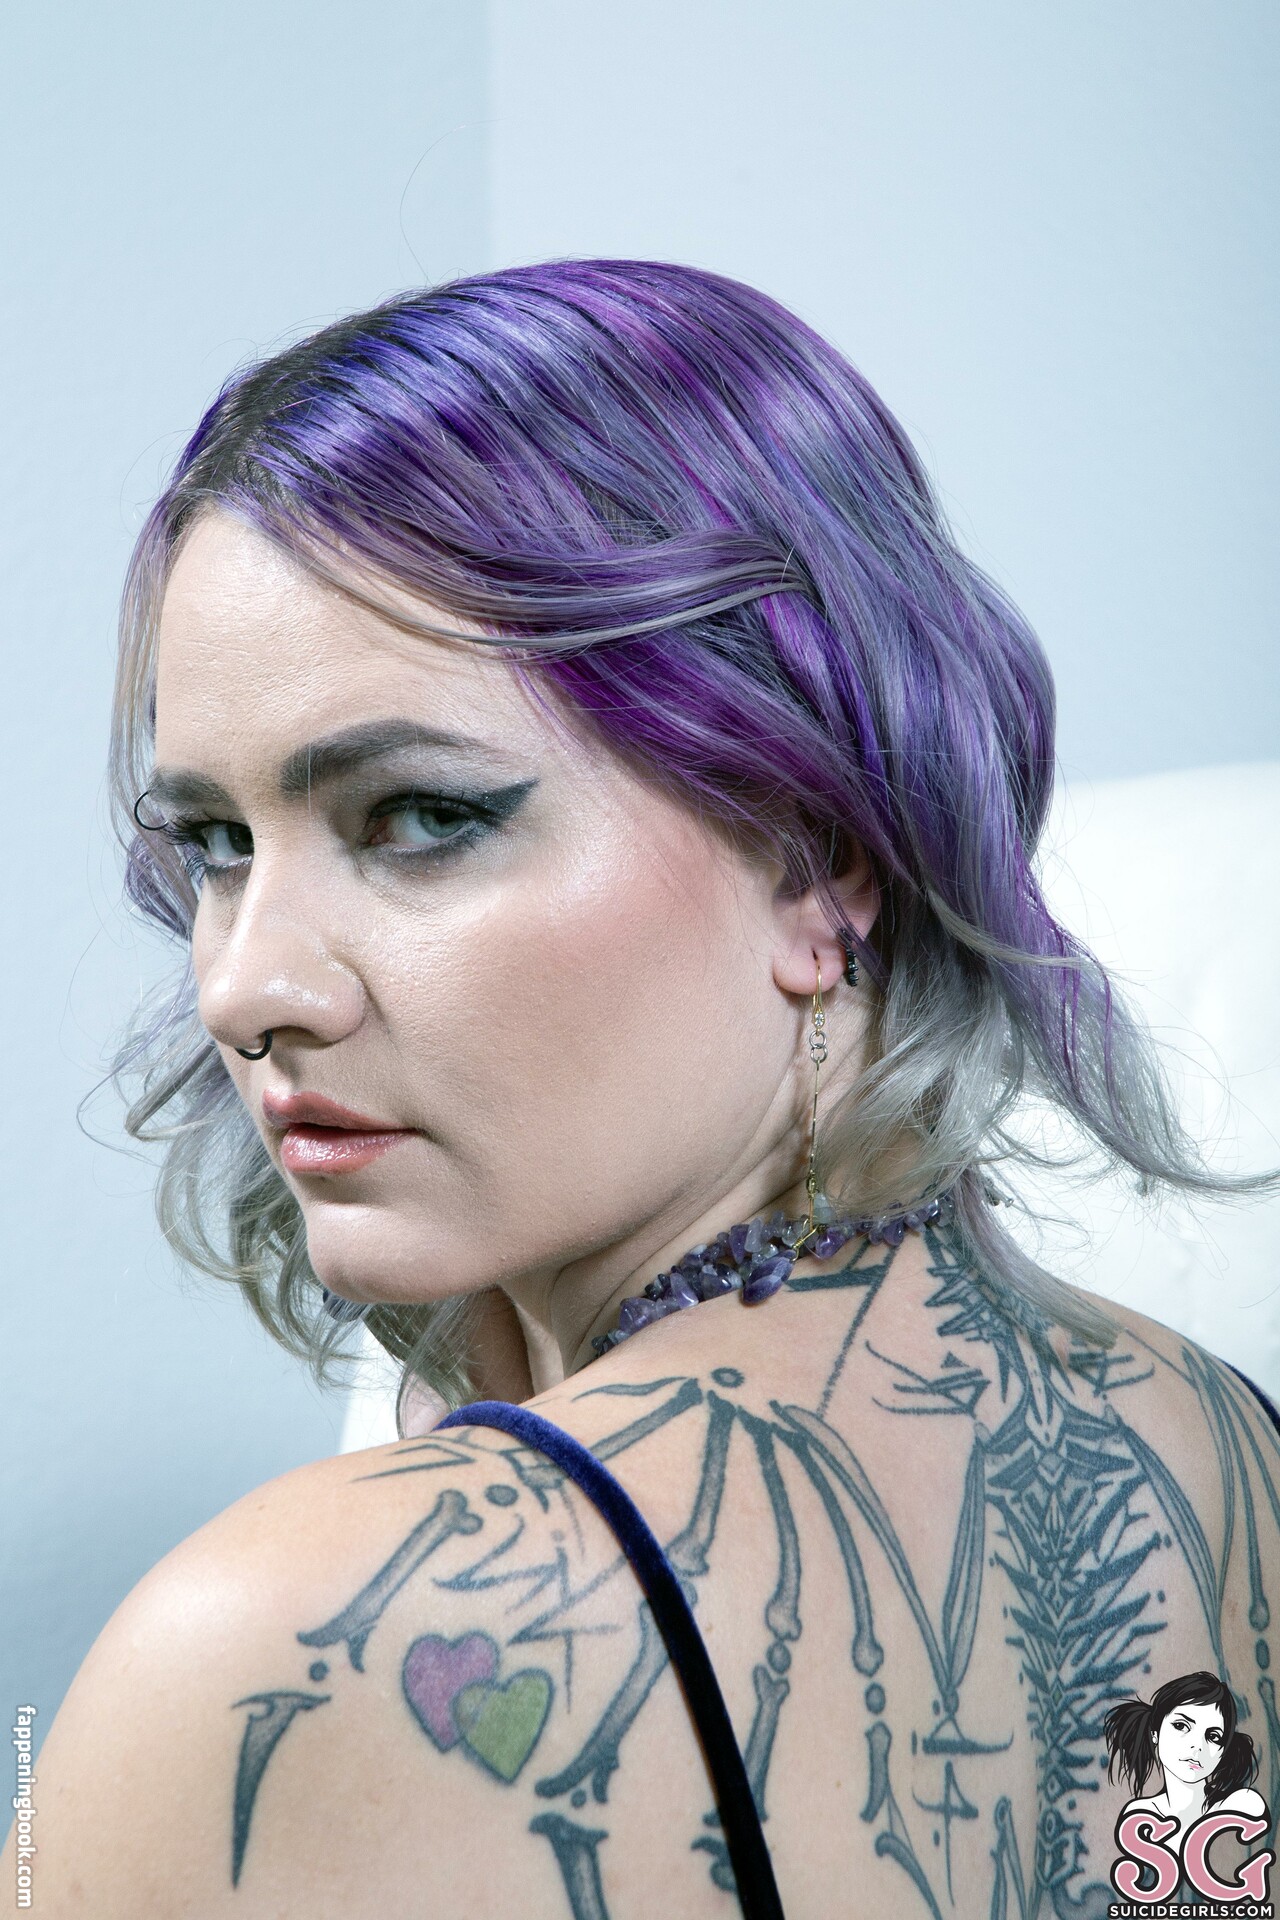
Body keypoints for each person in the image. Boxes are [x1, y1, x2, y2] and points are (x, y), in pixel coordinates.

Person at [7, 260, 1279, 1919]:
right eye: (216, 844)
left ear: (818, 858)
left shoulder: (276, 1651)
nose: (244, 989)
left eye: (421, 817)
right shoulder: (1226, 1453)